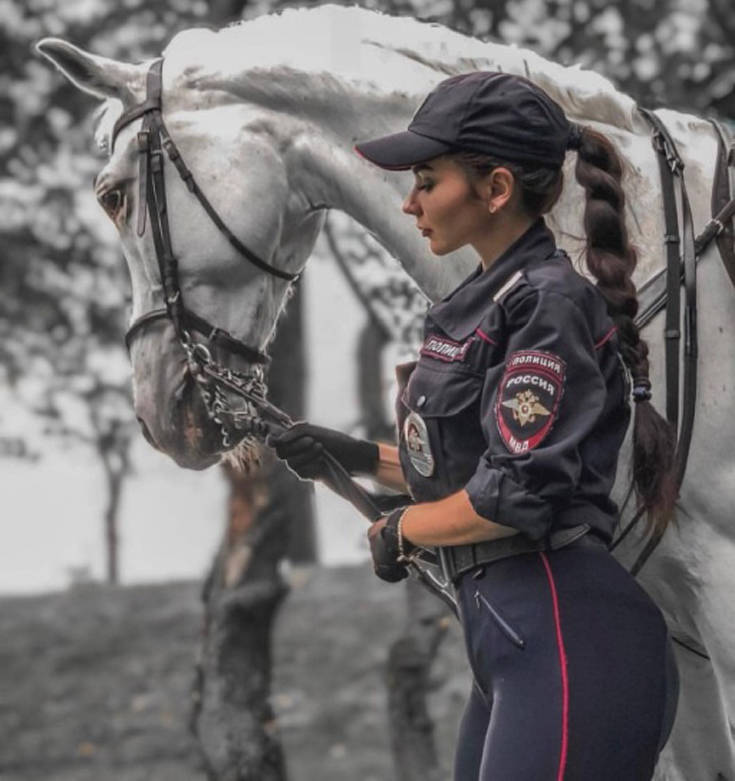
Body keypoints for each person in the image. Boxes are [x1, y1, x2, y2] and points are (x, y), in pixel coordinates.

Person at [270, 71, 679, 780]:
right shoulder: (483, 303)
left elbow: (516, 491)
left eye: (427, 180)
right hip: (511, 642)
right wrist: (352, 456)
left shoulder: (545, 305)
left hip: (568, 633)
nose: (410, 201)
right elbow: (484, 463)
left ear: (493, 189)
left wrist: (402, 528)